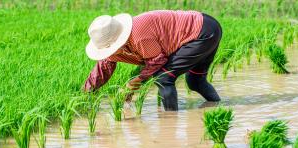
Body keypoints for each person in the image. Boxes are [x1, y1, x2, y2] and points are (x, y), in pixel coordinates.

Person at [83, 10, 222, 111]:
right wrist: (85, 94)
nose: (109, 53)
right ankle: (217, 107)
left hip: (201, 33)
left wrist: (131, 85)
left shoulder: (138, 37)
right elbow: (104, 68)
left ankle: (169, 125)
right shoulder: (117, 42)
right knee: (195, 81)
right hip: (207, 27)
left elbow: (157, 61)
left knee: (163, 78)